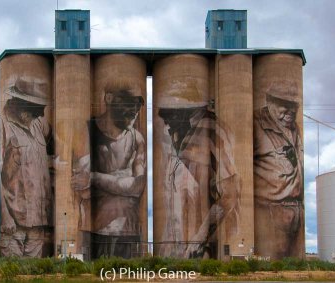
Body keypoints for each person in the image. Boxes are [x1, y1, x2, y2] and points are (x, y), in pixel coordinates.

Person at [157, 93, 240, 259]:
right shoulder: (173, 144)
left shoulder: (212, 131)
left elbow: (231, 193)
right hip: (176, 250)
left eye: (170, 115)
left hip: (202, 250)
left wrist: (200, 239)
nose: (166, 123)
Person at [72, 88, 146, 259]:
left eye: (138, 105)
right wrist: (122, 178)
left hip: (128, 230)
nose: (136, 109)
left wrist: (94, 177)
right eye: (130, 103)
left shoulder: (137, 138)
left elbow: (137, 187)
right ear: (109, 98)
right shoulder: (86, 131)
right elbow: (82, 188)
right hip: (95, 230)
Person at [0, 78, 53, 257]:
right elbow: (1, 176)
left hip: (38, 217)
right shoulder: (6, 127)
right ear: (20, 104)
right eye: (33, 110)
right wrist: (6, 217)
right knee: (13, 271)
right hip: (15, 222)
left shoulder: (37, 125)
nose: (37, 115)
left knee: (34, 271)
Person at [253, 81, 304, 259]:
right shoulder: (256, 124)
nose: (291, 111)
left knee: (293, 264)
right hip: (271, 211)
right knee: (272, 263)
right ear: (270, 102)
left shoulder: (293, 128)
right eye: (285, 105)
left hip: (297, 209)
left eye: (294, 106)